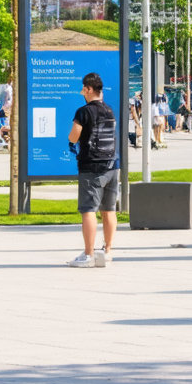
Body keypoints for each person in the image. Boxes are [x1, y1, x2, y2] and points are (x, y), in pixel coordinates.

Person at [67, 72, 120, 268]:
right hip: (112, 166)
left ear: (89, 89)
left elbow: (74, 137)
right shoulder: (109, 110)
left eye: (83, 88)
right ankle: (108, 250)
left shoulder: (83, 111)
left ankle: (89, 254)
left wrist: (72, 137)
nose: (82, 92)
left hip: (91, 167)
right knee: (108, 210)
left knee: (88, 210)